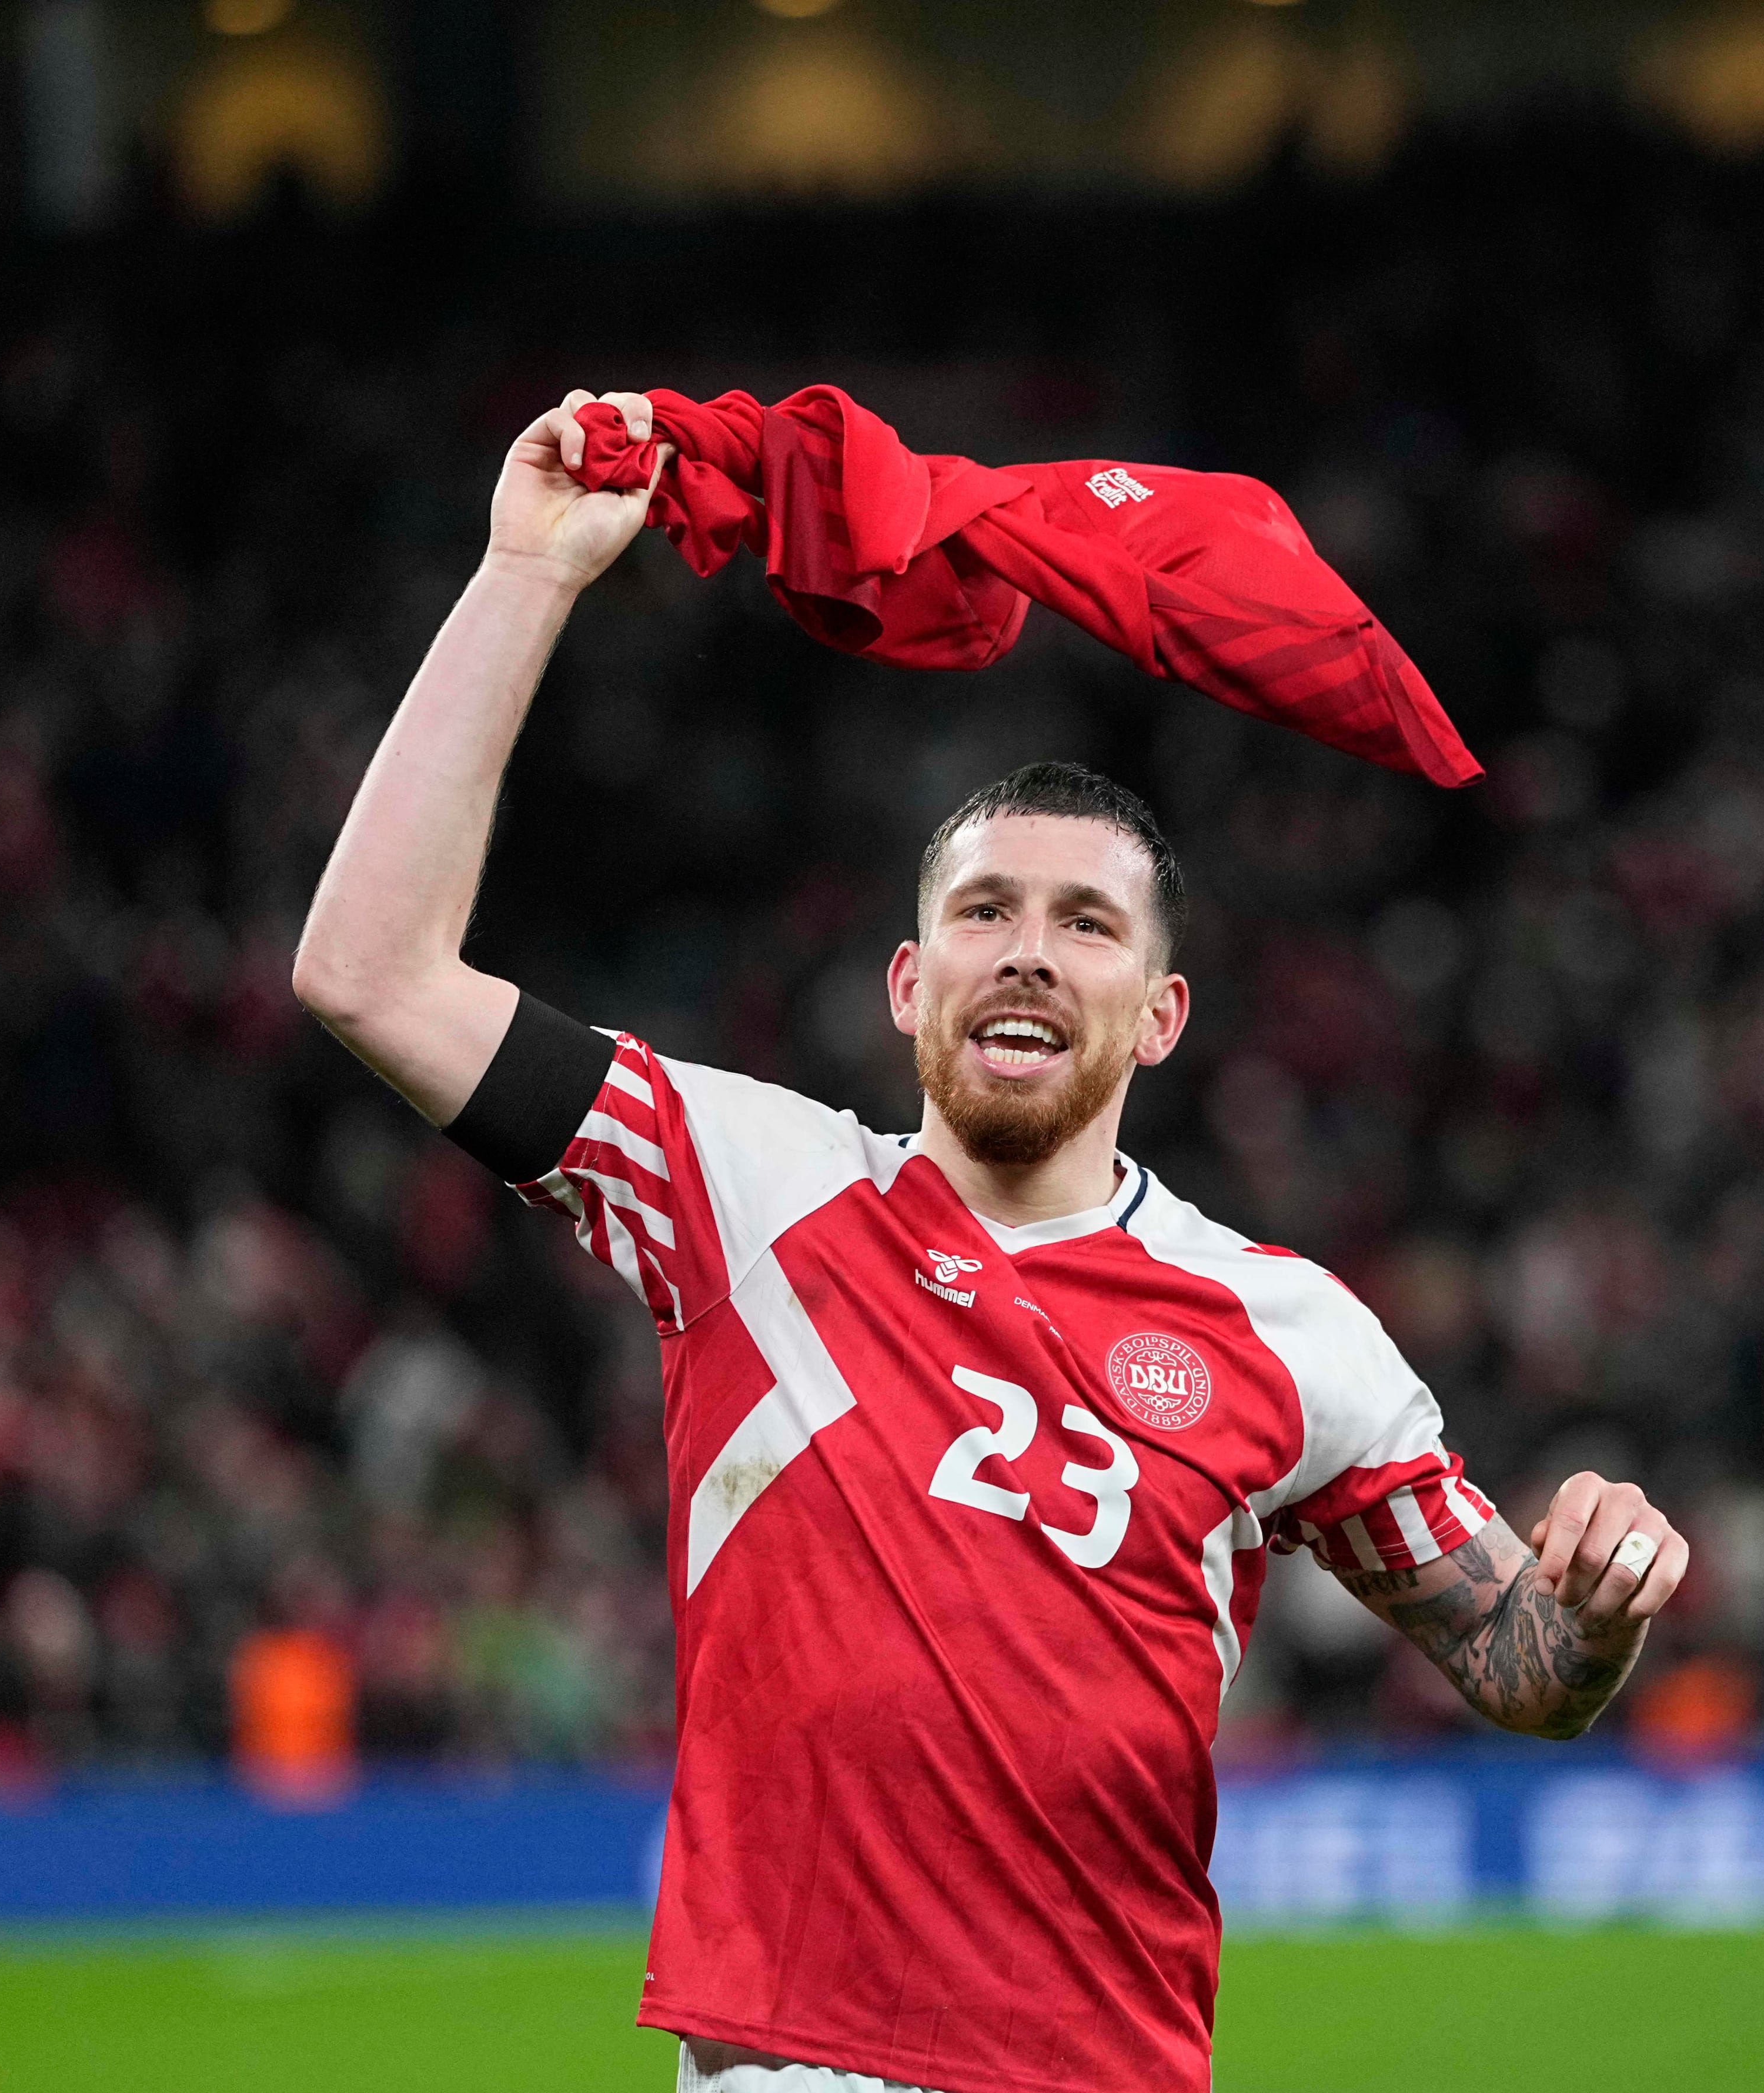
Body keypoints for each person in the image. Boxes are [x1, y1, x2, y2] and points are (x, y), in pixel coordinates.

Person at [292, 390, 1690, 2093]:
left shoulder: (1291, 1334)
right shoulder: (743, 1189)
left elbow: (1524, 1666)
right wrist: (528, 573)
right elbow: (371, 976)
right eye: (984, 914)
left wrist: (1595, 1608)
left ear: (1161, 1013)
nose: (1029, 954)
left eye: (1086, 923)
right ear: (909, 985)